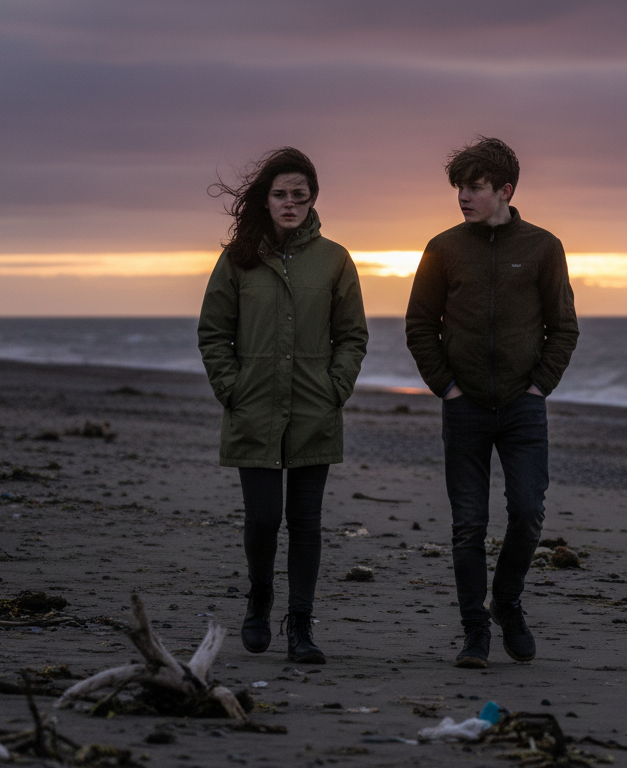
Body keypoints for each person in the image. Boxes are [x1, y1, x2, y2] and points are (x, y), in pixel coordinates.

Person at [406, 137, 578, 668]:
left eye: (475, 187)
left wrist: (538, 387)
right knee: (468, 525)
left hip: (524, 406)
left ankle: (506, 602)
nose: (462, 196)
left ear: (505, 190)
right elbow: (419, 327)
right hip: (465, 407)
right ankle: (474, 632)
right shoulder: (443, 247)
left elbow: (564, 328)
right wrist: (448, 388)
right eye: (459, 186)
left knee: (528, 514)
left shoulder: (543, 247)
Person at [198, 147, 368, 664]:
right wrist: (233, 388)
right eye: (280, 195)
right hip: (254, 409)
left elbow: (352, 335)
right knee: (264, 519)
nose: (290, 203)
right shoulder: (237, 258)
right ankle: (259, 600)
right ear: (265, 199)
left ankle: (300, 624)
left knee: (307, 522)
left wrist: (335, 387)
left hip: (315, 410)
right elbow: (213, 333)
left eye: (299, 194)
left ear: (313, 198)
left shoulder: (335, 258)